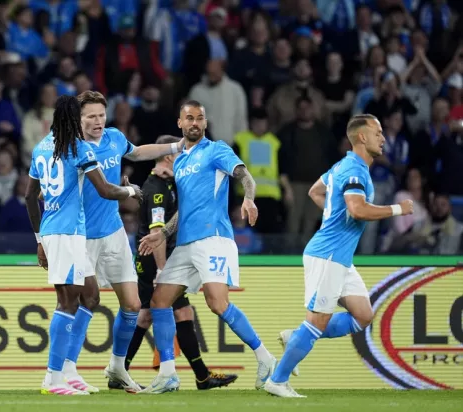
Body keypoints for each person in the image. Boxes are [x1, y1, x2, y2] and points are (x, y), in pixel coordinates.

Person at [265, 114, 414, 398]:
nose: (383, 138)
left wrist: (335, 213)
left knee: (363, 315)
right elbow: (357, 210)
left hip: (340, 258)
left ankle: (296, 336)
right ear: (362, 137)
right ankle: (277, 380)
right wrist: (398, 209)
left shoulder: (342, 166)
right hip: (328, 255)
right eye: (378, 133)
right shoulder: (354, 171)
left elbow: (315, 192)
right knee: (317, 321)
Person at [137, 100, 277, 394]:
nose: (195, 123)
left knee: (217, 303)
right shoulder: (180, 162)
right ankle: (168, 374)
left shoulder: (216, 150)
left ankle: (265, 357)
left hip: (213, 238)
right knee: (159, 301)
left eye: (199, 118)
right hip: (185, 244)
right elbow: (184, 210)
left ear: (205, 122)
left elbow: (245, 175)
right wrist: (163, 234)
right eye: (189, 118)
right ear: (180, 123)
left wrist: (249, 198)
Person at [61, 91, 184, 393]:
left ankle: (117, 368)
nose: (98, 121)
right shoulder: (71, 148)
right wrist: (127, 191)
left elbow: (138, 152)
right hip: (81, 236)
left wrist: (175, 146)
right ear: (78, 118)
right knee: (82, 302)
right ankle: (67, 369)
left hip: (113, 232)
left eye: (101, 115)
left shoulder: (114, 137)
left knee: (132, 304)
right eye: (91, 116)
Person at [24, 95, 143, 396]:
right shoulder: (78, 148)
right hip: (69, 231)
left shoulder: (41, 147)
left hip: (55, 231)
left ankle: (67, 371)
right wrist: (131, 190)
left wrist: (39, 240)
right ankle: (53, 378)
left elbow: (29, 197)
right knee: (67, 303)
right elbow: (105, 190)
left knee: (89, 296)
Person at [109, 135, 238, 391]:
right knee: (177, 313)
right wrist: (162, 270)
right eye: (179, 154)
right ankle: (200, 376)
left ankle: (121, 371)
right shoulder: (157, 188)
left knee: (147, 316)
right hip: (154, 259)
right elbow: (156, 231)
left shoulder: (165, 183)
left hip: (156, 258)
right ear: (169, 156)